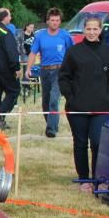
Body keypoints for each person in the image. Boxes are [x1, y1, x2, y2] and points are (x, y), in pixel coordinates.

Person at [59, 17, 109, 192]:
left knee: (98, 142)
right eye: (89, 29)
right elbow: (64, 76)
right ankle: (84, 178)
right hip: (77, 107)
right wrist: (71, 97)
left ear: (100, 30)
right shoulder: (74, 52)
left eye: (95, 29)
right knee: (80, 142)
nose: (92, 32)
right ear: (83, 30)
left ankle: (98, 177)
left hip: (101, 107)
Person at [25, 8, 73, 138]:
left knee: (53, 99)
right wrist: (28, 69)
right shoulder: (40, 35)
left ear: (60, 21)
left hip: (60, 70)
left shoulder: (65, 35)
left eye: (57, 20)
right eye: (52, 20)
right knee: (46, 101)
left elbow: (72, 53)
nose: (55, 23)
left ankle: (51, 129)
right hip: (45, 70)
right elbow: (33, 53)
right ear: (47, 21)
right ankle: (50, 123)